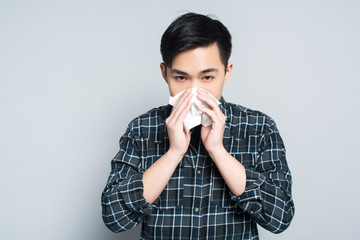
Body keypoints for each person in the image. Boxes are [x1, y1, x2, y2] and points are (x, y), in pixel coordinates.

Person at [101, 12, 295, 239]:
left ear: (227, 72)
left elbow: (280, 219)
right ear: (165, 74)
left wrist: (218, 151)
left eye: (207, 78)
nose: (194, 93)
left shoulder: (259, 128)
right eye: (181, 78)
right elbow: (114, 218)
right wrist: (173, 153)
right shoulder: (142, 129)